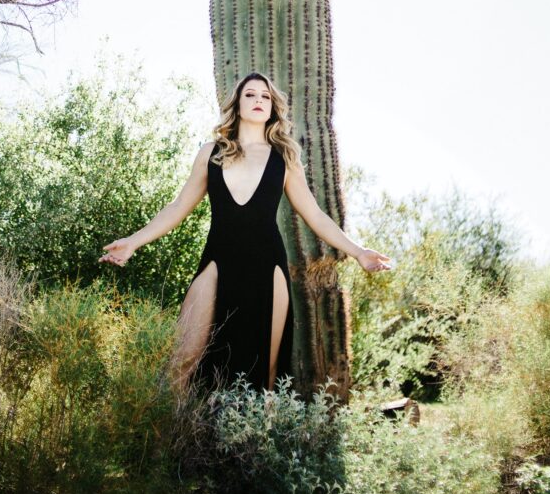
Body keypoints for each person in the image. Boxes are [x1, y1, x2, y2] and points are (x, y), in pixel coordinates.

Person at [99, 71, 391, 393]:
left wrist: (359, 252)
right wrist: (132, 242)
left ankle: (253, 442)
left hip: (269, 268)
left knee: (264, 372)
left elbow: (315, 216)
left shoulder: (284, 158)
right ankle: (167, 440)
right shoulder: (211, 152)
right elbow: (178, 207)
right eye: (250, 95)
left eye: (265, 97)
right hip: (217, 263)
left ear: (272, 108)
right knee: (181, 360)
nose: (258, 101)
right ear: (237, 105)